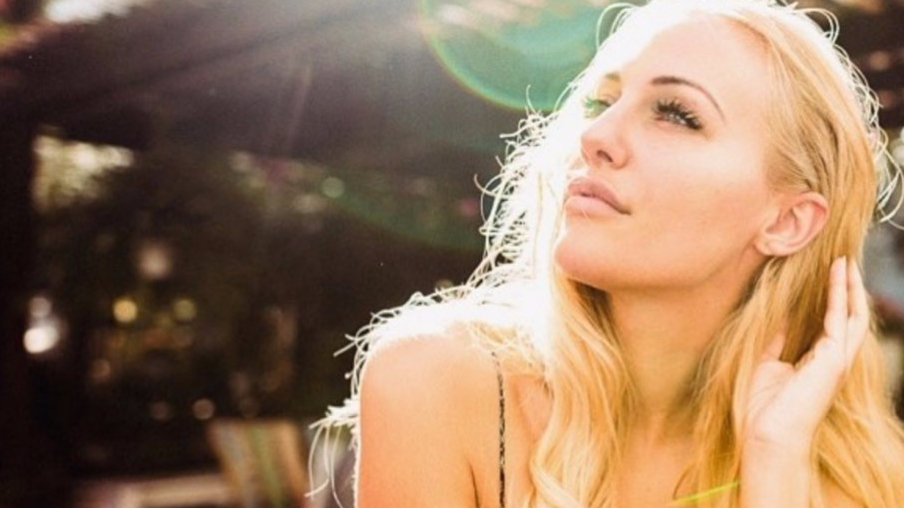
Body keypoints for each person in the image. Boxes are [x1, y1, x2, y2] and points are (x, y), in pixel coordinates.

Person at [317, 0, 904, 506]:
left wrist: (775, 467)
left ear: (787, 221)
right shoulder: (439, 385)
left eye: (677, 115)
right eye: (601, 103)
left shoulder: (867, 482)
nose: (593, 137)